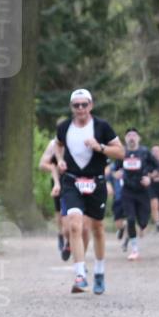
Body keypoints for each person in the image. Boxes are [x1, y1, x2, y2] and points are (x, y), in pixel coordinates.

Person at [54, 89, 124, 294]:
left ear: (91, 106)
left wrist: (100, 147)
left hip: (96, 182)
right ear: (72, 108)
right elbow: (58, 145)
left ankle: (100, 272)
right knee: (75, 224)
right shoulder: (64, 127)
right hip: (72, 182)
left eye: (84, 104)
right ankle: (80, 274)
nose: (81, 109)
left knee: (98, 228)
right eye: (76, 105)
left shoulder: (102, 127)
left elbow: (120, 152)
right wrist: (60, 161)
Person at [112, 128, 157, 261]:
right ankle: (134, 249)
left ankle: (132, 228)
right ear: (125, 139)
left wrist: (150, 178)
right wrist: (117, 174)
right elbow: (115, 170)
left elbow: (157, 167)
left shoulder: (145, 152)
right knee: (131, 219)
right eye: (129, 135)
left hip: (142, 191)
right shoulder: (122, 153)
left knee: (143, 222)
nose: (131, 137)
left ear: (138, 138)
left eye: (134, 135)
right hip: (127, 190)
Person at [39, 137, 71, 261]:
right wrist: (53, 168)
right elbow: (42, 164)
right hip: (58, 181)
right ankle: (61, 234)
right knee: (60, 214)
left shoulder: (77, 140)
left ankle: (70, 241)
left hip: (75, 181)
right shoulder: (53, 144)